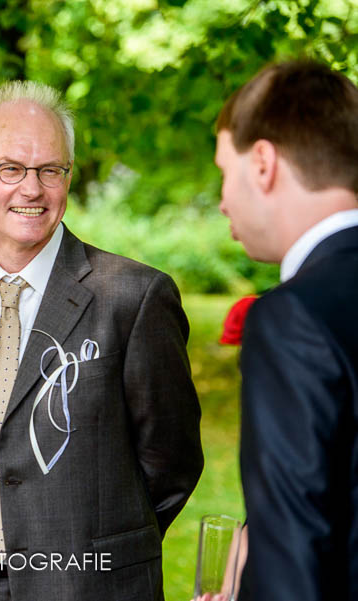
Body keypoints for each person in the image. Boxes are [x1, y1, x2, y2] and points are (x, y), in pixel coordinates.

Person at [0, 80, 203, 601]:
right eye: (10, 169)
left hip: (81, 583)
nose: (31, 189)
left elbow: (170, 463)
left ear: (67, 176)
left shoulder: (133, 296)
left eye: (49, 171)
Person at [214, 59, 358, 600]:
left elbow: (293, 561)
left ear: (263, 163)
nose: (224, 199)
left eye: (224, 170)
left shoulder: (292, 317)